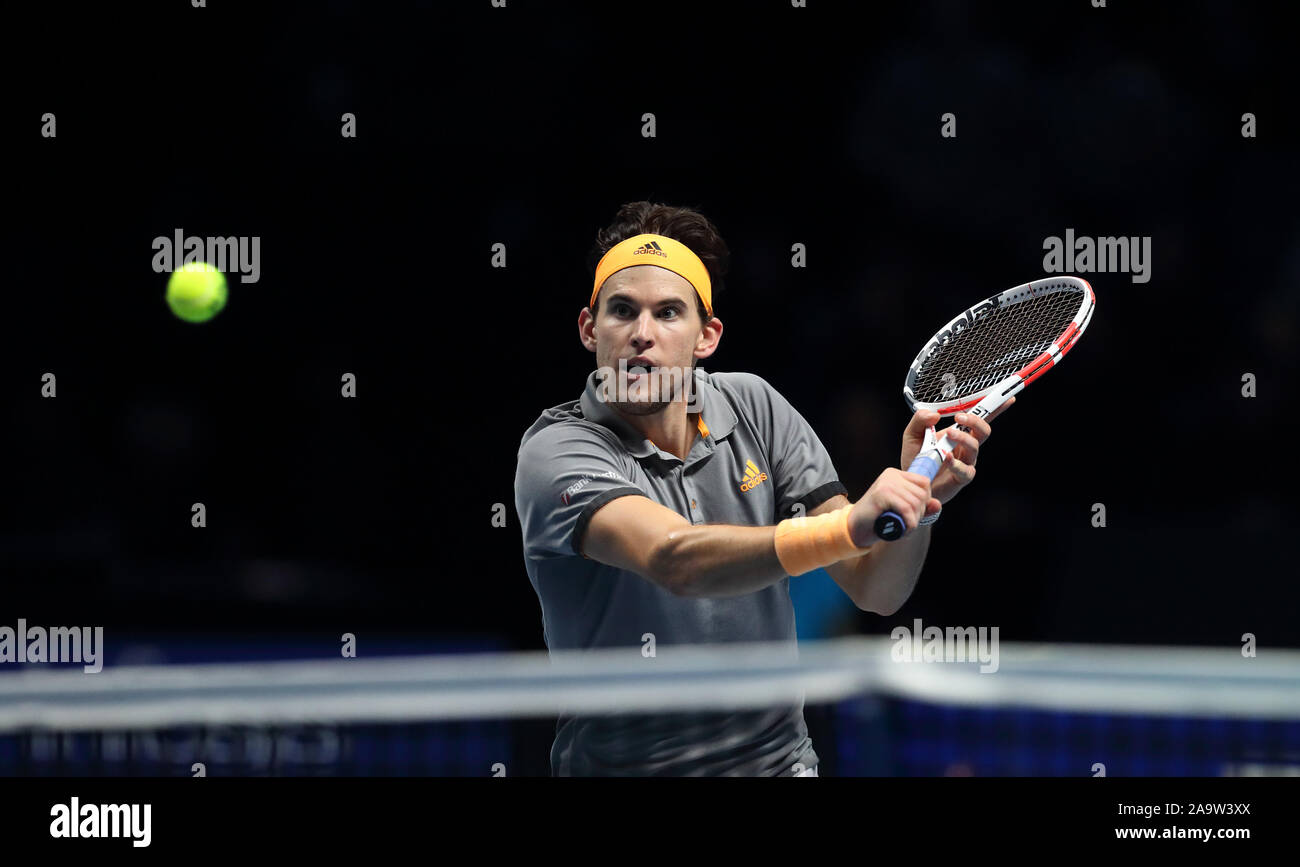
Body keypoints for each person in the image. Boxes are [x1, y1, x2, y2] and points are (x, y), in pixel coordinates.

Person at [514, 201, 1009, 776]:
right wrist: (850, 525)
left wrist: (922, 508)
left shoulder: (754, 406)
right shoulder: (558, 449)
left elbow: (876, 588)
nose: (642, 335)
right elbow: (676, 559)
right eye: (622, 311)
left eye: (669, 313)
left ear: (706, 337)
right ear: (589, 328)